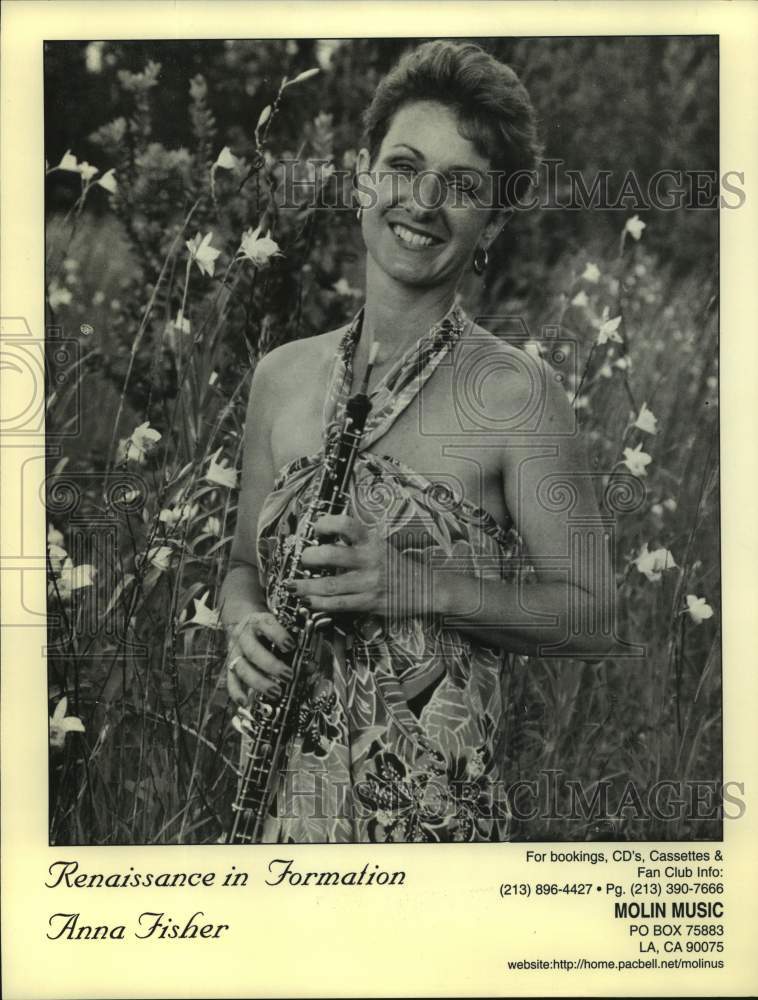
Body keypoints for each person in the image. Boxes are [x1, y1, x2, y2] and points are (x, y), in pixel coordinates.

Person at [220, 40, 613, 843]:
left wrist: (413, 584)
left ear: (494, 221)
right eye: (403, 165)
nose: (423, 201)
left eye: (462, 185)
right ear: (365, 176)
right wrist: (241, 627)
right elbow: (238, 572)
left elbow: (594, 616)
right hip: (280, 826)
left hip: (437, 849)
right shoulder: (281, 377)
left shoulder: (519, 394)